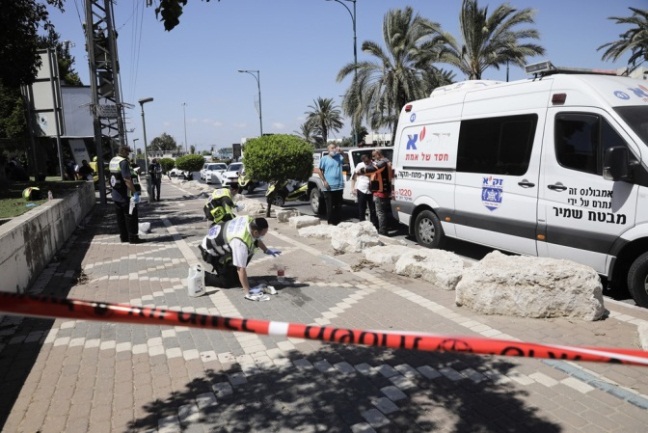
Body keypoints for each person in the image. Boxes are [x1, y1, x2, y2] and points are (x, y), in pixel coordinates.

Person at [198, 216, 281, 301]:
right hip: (211, 252)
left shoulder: (249, 220)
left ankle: (234, 275)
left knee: (237, 279)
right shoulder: (240, 242)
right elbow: (241, 269)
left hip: (218, 240)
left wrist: (266, 250)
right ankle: (202, 276)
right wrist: (248, 292)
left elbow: (256, 240)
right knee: (227, 282)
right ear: (255, 232)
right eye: (263, 234)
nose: (263, 236)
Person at [109, 145, 144, 244]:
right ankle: (133, 238)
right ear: (123, 151)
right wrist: (134, 193)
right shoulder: (123, 162)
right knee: (131, 217)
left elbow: (115, 175)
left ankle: (123, 237)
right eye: (127, 152)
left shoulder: (113, 160)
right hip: (127, 196)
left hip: (116, 194)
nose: (128, 154)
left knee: (120, 218)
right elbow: (127, 179)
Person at [360, 149, 393, 235]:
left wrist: (362, 170)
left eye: (374, 156)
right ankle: (383, 230)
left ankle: (383, 232)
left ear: (378, 154)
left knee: (380, 213)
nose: (373, 159)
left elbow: (373, 169)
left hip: (380, 192)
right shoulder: (387, 162)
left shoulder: (383, 163)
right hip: (383, 191)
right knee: (382, 212)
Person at [314, 144, 345, 225]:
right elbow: (319, 171)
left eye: (334, 148)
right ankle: (330, 222)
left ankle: (338, 223)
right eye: (332, 148)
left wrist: (342, 152)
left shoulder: (339, 157)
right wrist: (324, 181)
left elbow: (346, 160)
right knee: (330, 206)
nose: (334, 149)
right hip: (329, 187)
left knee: (338, 206)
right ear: (328, 150)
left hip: (339, 186)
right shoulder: (324, 159)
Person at [351, 154, 377, 227]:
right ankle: (361, 224)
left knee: (373, 209)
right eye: (365, 162)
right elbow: (354, 176)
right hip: (362, 188)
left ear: (370, 159)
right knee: (362, 208)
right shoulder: (360, 165)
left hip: (371, 189)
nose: (366, 163)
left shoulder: (374, 165)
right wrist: (352, 188)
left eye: (367, 162)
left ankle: (374, 224)